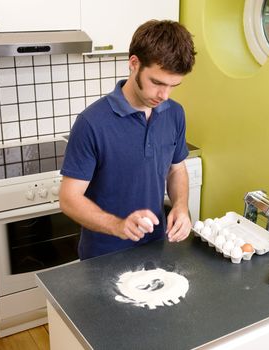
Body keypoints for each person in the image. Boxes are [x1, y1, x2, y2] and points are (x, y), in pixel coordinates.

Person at [59, 20, 197, 260]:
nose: (164, 95)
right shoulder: (92, 123)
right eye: (157, 82)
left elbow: (176, 170)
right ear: (134, 64)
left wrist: (181, 206)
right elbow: (69, 199)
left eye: (173, 86)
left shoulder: (175, 113)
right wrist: (118, 226)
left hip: (155, 248)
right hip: (103, 257)